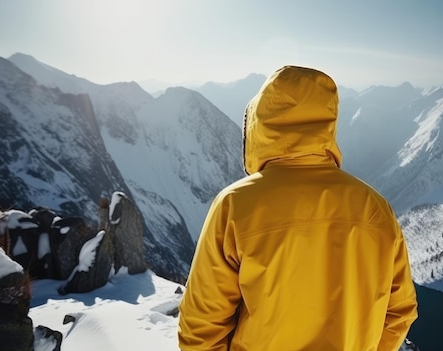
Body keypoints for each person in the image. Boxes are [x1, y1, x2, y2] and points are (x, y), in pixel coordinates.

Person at [178, 65, 417, 350]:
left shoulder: (235, 205)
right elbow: (400, 310)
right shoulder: (375, 207)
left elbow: (201, 325)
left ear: (258, 126)